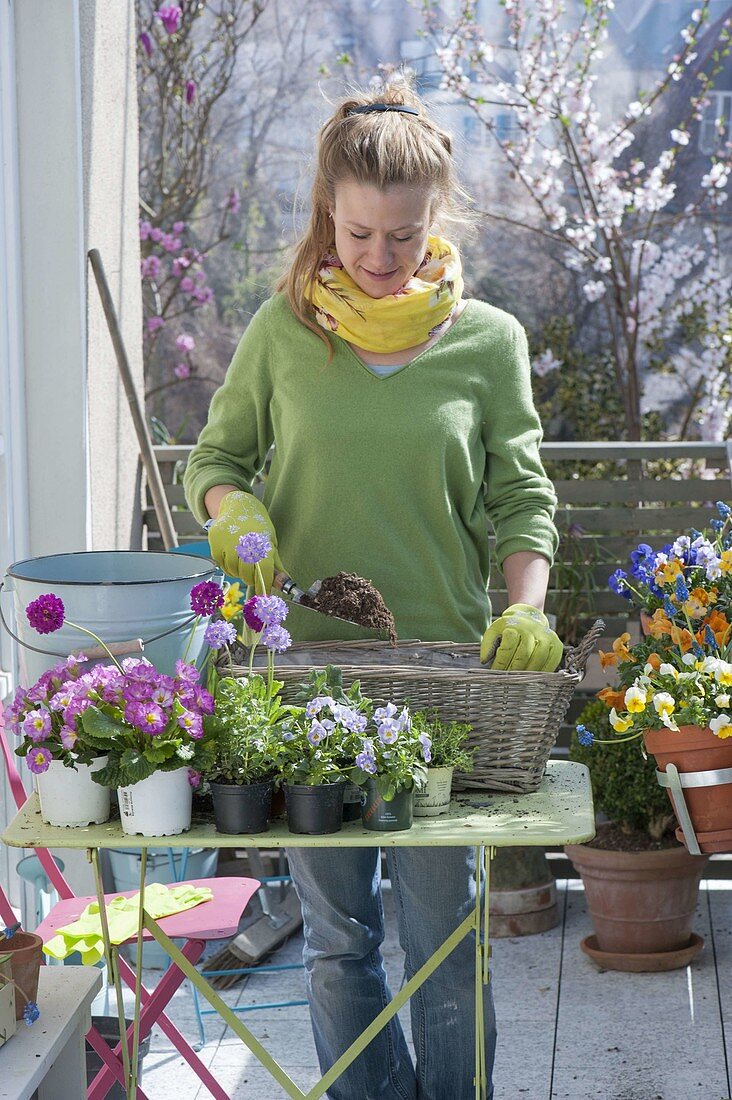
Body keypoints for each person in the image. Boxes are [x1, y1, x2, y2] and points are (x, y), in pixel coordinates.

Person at [184, 77, 561, 1100]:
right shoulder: (283, 332)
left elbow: (525, 503)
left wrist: (524, 605)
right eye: (359, 234)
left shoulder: (488, 341)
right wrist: (232, 508)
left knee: (448, 943)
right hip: (303, 676)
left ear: (436, 220)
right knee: (339, 938)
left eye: (403, 235)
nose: (382, 258)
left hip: (444, 681)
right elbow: (214, 455)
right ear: (327, 216)